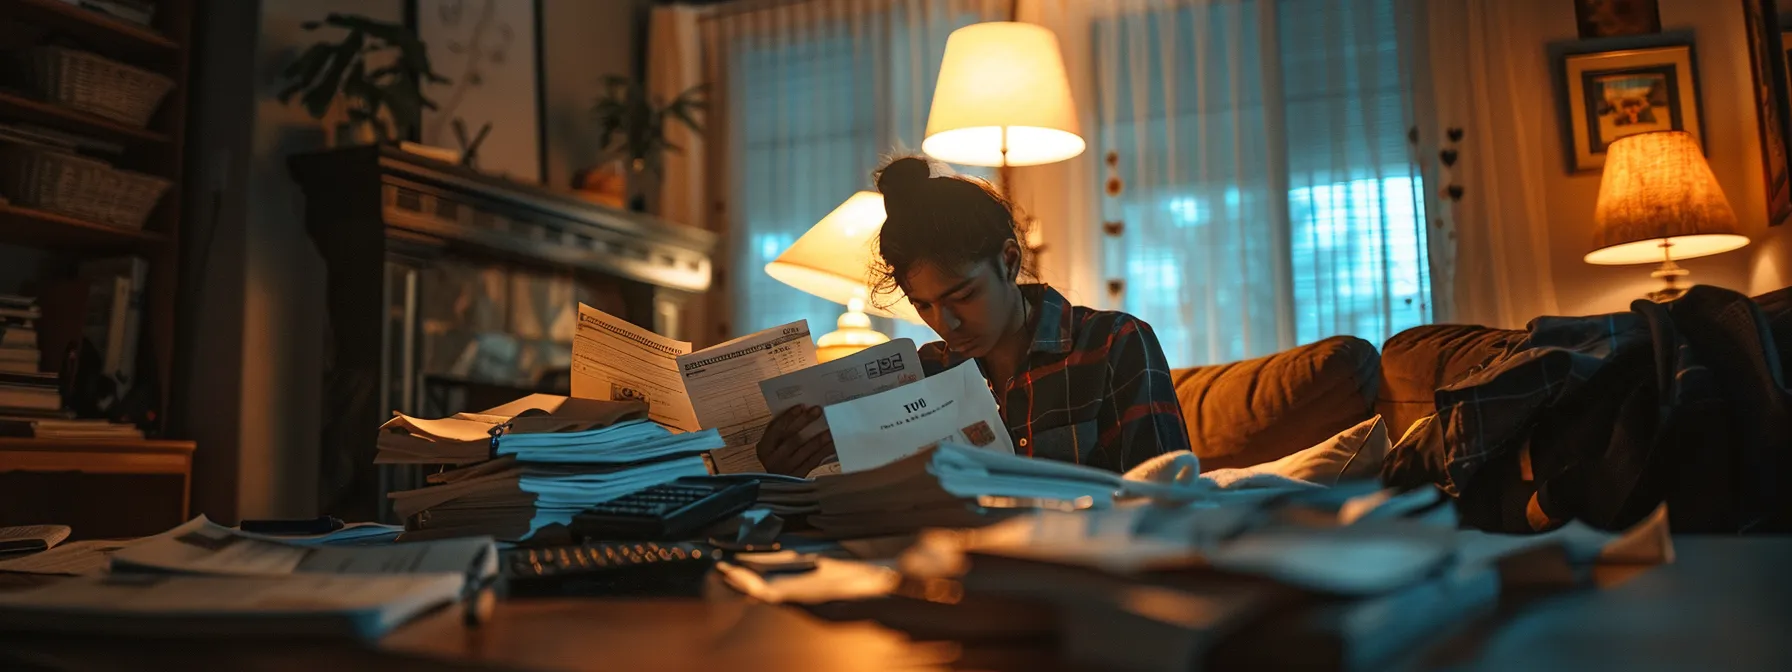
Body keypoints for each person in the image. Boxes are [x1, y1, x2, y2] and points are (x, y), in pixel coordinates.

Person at [755, 157, 1192, 475]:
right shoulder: (924, 371)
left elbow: (1169, 497)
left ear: (1008, 260)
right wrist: (789, 474)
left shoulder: (1112, 343)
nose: (946, 324)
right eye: (922, 305)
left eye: (962, 295)